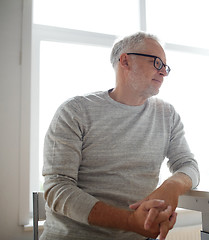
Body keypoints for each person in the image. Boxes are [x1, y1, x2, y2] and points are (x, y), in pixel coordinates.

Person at [41, 32, 200, 240]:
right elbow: (57, 187)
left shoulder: (167, 115)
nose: (164, 73)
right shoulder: (75, 111)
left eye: (166, 66)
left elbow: (188, 164)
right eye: (157, 62)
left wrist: (172, 185)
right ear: (125, 61)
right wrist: (129, 221)